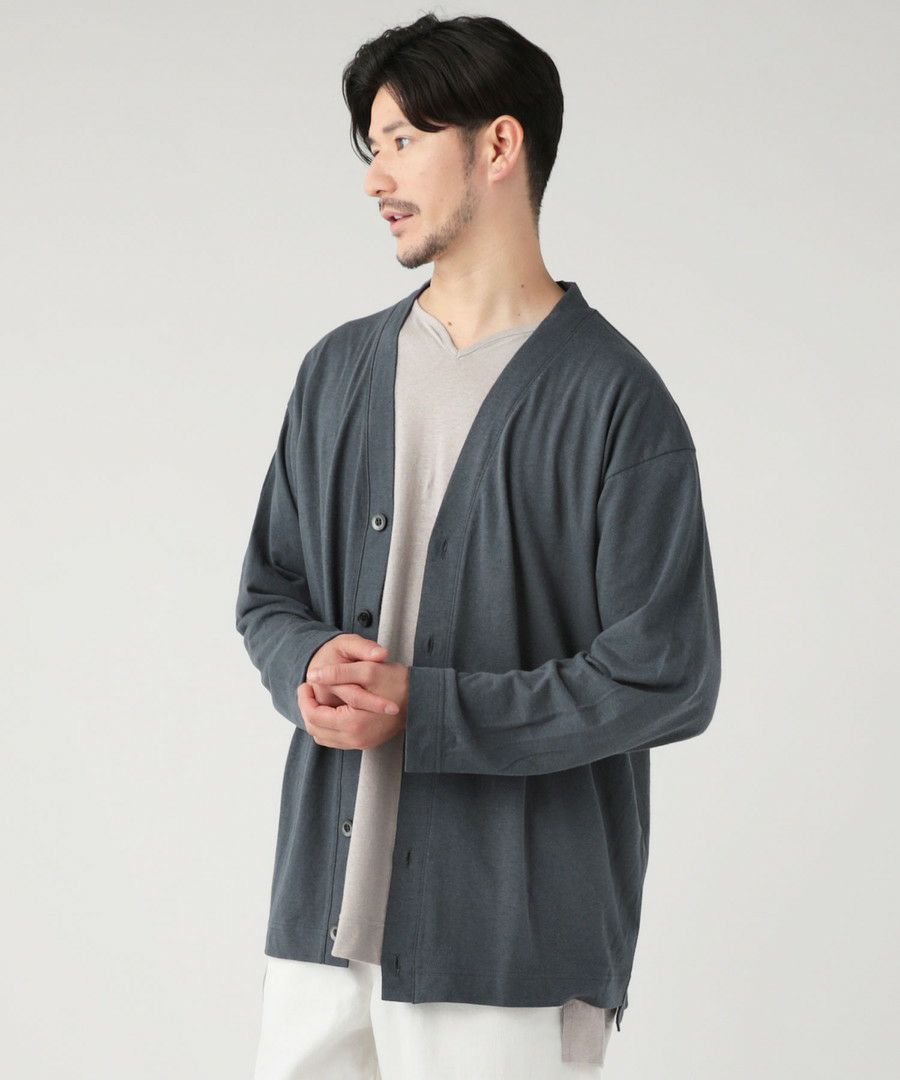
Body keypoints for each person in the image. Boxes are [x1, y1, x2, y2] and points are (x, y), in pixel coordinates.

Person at [236, 12, 721, 1079]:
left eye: (404, 140)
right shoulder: (337, 371)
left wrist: (429, 706)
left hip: (507, 938)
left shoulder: (615, 402)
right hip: (321, 921)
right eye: (373, 147)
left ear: (498, 145)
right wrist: (307, 661)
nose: (377, 178)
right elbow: (270, 587)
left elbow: (667, 676)